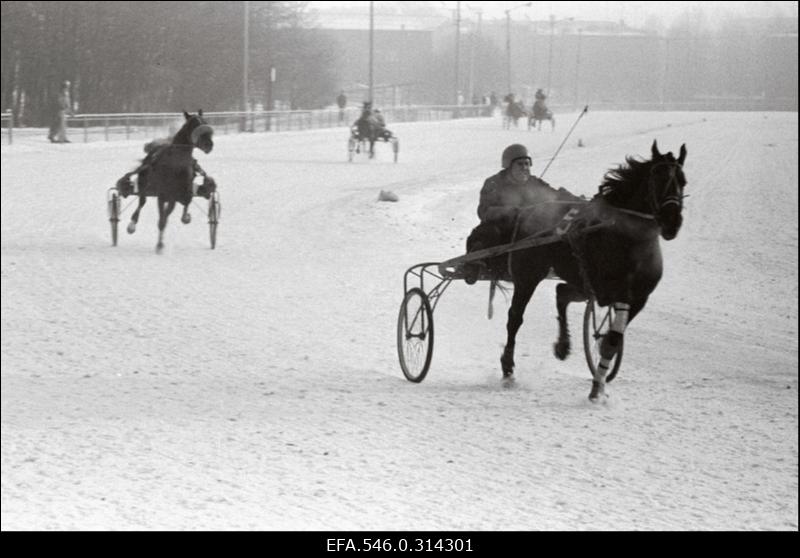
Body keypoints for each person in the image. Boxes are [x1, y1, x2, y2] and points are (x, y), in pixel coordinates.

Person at [463, 143, 581, 284]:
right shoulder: (494, 183)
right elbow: (484, 211)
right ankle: (473, 263)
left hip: (525, 232)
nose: (525, 168)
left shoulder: (534, 182)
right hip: (501, 232)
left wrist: (577, 201)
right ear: (509, 166)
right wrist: (512, 211)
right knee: (488, 232)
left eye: (527, 164)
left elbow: (556, 196)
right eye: (520, 164)